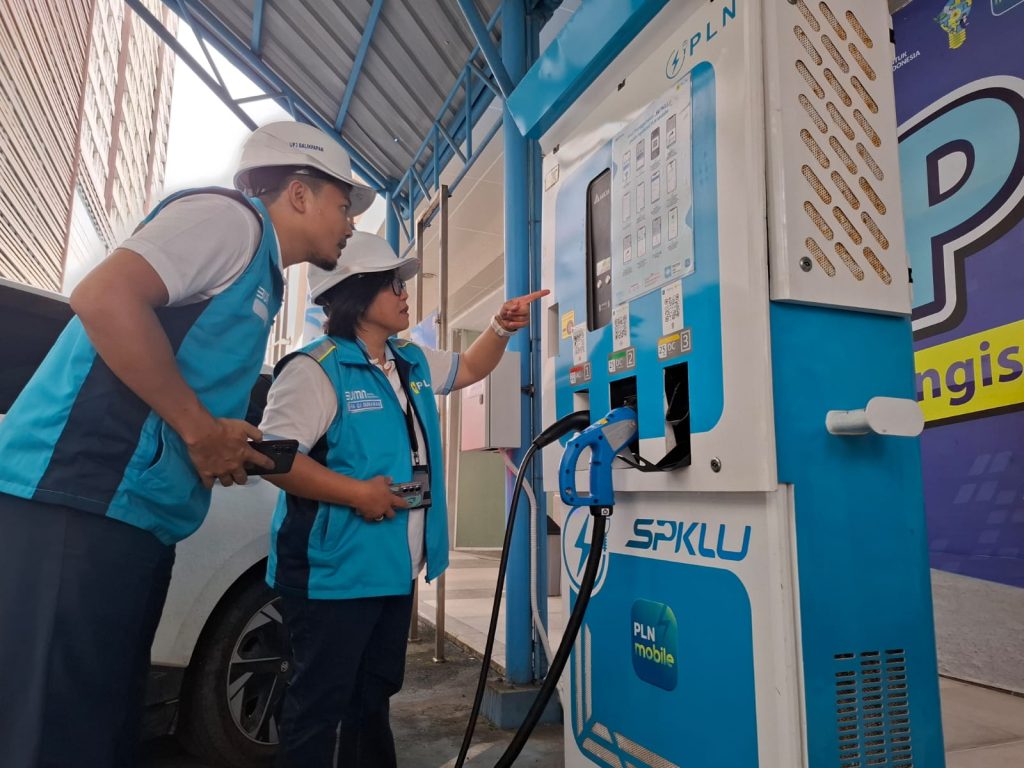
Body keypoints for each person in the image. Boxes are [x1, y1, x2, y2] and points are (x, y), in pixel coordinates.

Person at [0, 121, 375, 768]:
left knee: (100, 729)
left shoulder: (262, 276)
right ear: (299, 193)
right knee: (54, 735)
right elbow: (103, 295)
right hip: (80, 500)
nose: (350, 224)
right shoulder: (232, 222)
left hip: (135, 520)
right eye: (344, 205)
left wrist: (223, 442)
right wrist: (201, 432)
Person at [258, 231, 547, 767]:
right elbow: (275, 459)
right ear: (356, 293)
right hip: (333, 575)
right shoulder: (316, 369)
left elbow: (468, 368)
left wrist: (499, 328)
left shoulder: (408, 359)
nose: (404, 293)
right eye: (392, 284)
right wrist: (356, 493)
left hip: (393, 569)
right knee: (319, 706)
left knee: (372, 699)